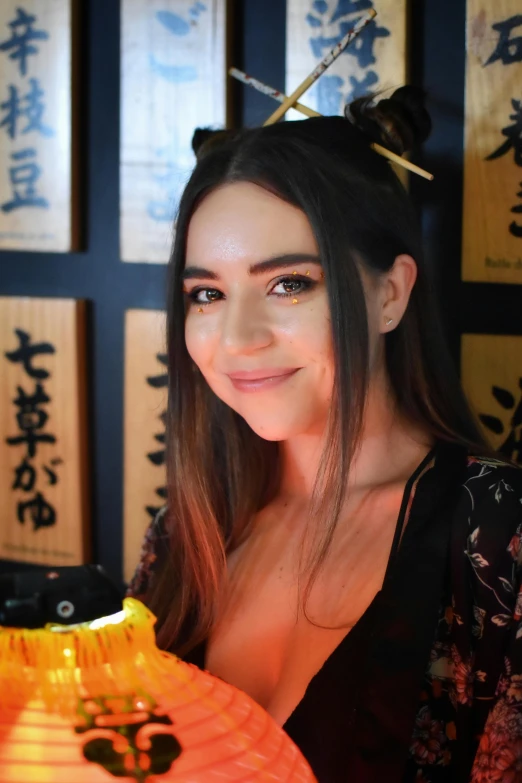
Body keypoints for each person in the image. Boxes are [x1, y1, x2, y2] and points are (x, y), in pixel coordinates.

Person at [128, 87, 522, 782]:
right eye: (207, 294)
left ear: (390, 294)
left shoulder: (498, 537)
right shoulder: (188, 532)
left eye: (288, 284)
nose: (239, 339)